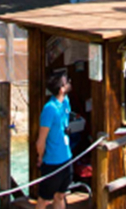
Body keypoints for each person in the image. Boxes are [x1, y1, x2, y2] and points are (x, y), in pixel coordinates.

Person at [34, 69, 74, 209]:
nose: (69, 82)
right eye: (66, 82)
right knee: (44, 200)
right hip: (52, 163)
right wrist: (40, 157)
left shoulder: (65, 102)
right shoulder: (49, 109)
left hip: (67, 159)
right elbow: (41, 140)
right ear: (61, 89)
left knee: (60, 195)